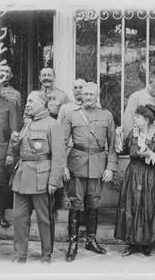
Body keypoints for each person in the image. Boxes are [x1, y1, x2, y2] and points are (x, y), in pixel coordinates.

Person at [60, 82, 117, 262]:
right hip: (76, 164)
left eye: (92, 94)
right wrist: (62, 165)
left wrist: (110, 167)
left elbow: (113, 144)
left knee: (93, 204)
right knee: (76, 204)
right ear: (80, 96)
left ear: (98, 95)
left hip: (98, 165)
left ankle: (91, 240)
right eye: (85, 94)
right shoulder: (71, 115)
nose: (89, 97)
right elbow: (61, 142)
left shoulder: (106, 115)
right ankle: (73, 243)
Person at [6, 91, 65, 264]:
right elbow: (20, 153)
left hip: (42, 179)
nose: (27, 104)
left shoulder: (53, 124)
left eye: (31, 101)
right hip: (22, 177)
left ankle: (46, 254)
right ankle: (20, 255)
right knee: (19, 219)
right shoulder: (27, 123)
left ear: (42, 103)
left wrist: (54, 181)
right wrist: (15, 143)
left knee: (44, 219)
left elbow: (59, 156)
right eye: (27, 101)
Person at [113, 104, 155, 257]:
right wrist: (118, 136)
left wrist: (150, 154)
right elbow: (122, 150)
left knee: (147, 206)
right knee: (131, 205)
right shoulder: (132, 133)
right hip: (133, 173)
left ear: (147, 119)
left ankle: (146, 242)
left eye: (138, 117)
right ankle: (131, 242)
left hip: (149, 175)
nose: (135, 119)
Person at [0, 74, 22, 228]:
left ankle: (0, 215)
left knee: (1, 184)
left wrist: (11, 152)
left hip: (0, 151)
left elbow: (14, 131)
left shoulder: (9, 104)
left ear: (1, 87)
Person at [123, 71, 155, 136]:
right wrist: (130, 143)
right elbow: (128, 123)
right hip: (143, 142)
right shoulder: (136, 97)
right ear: (150, 82)